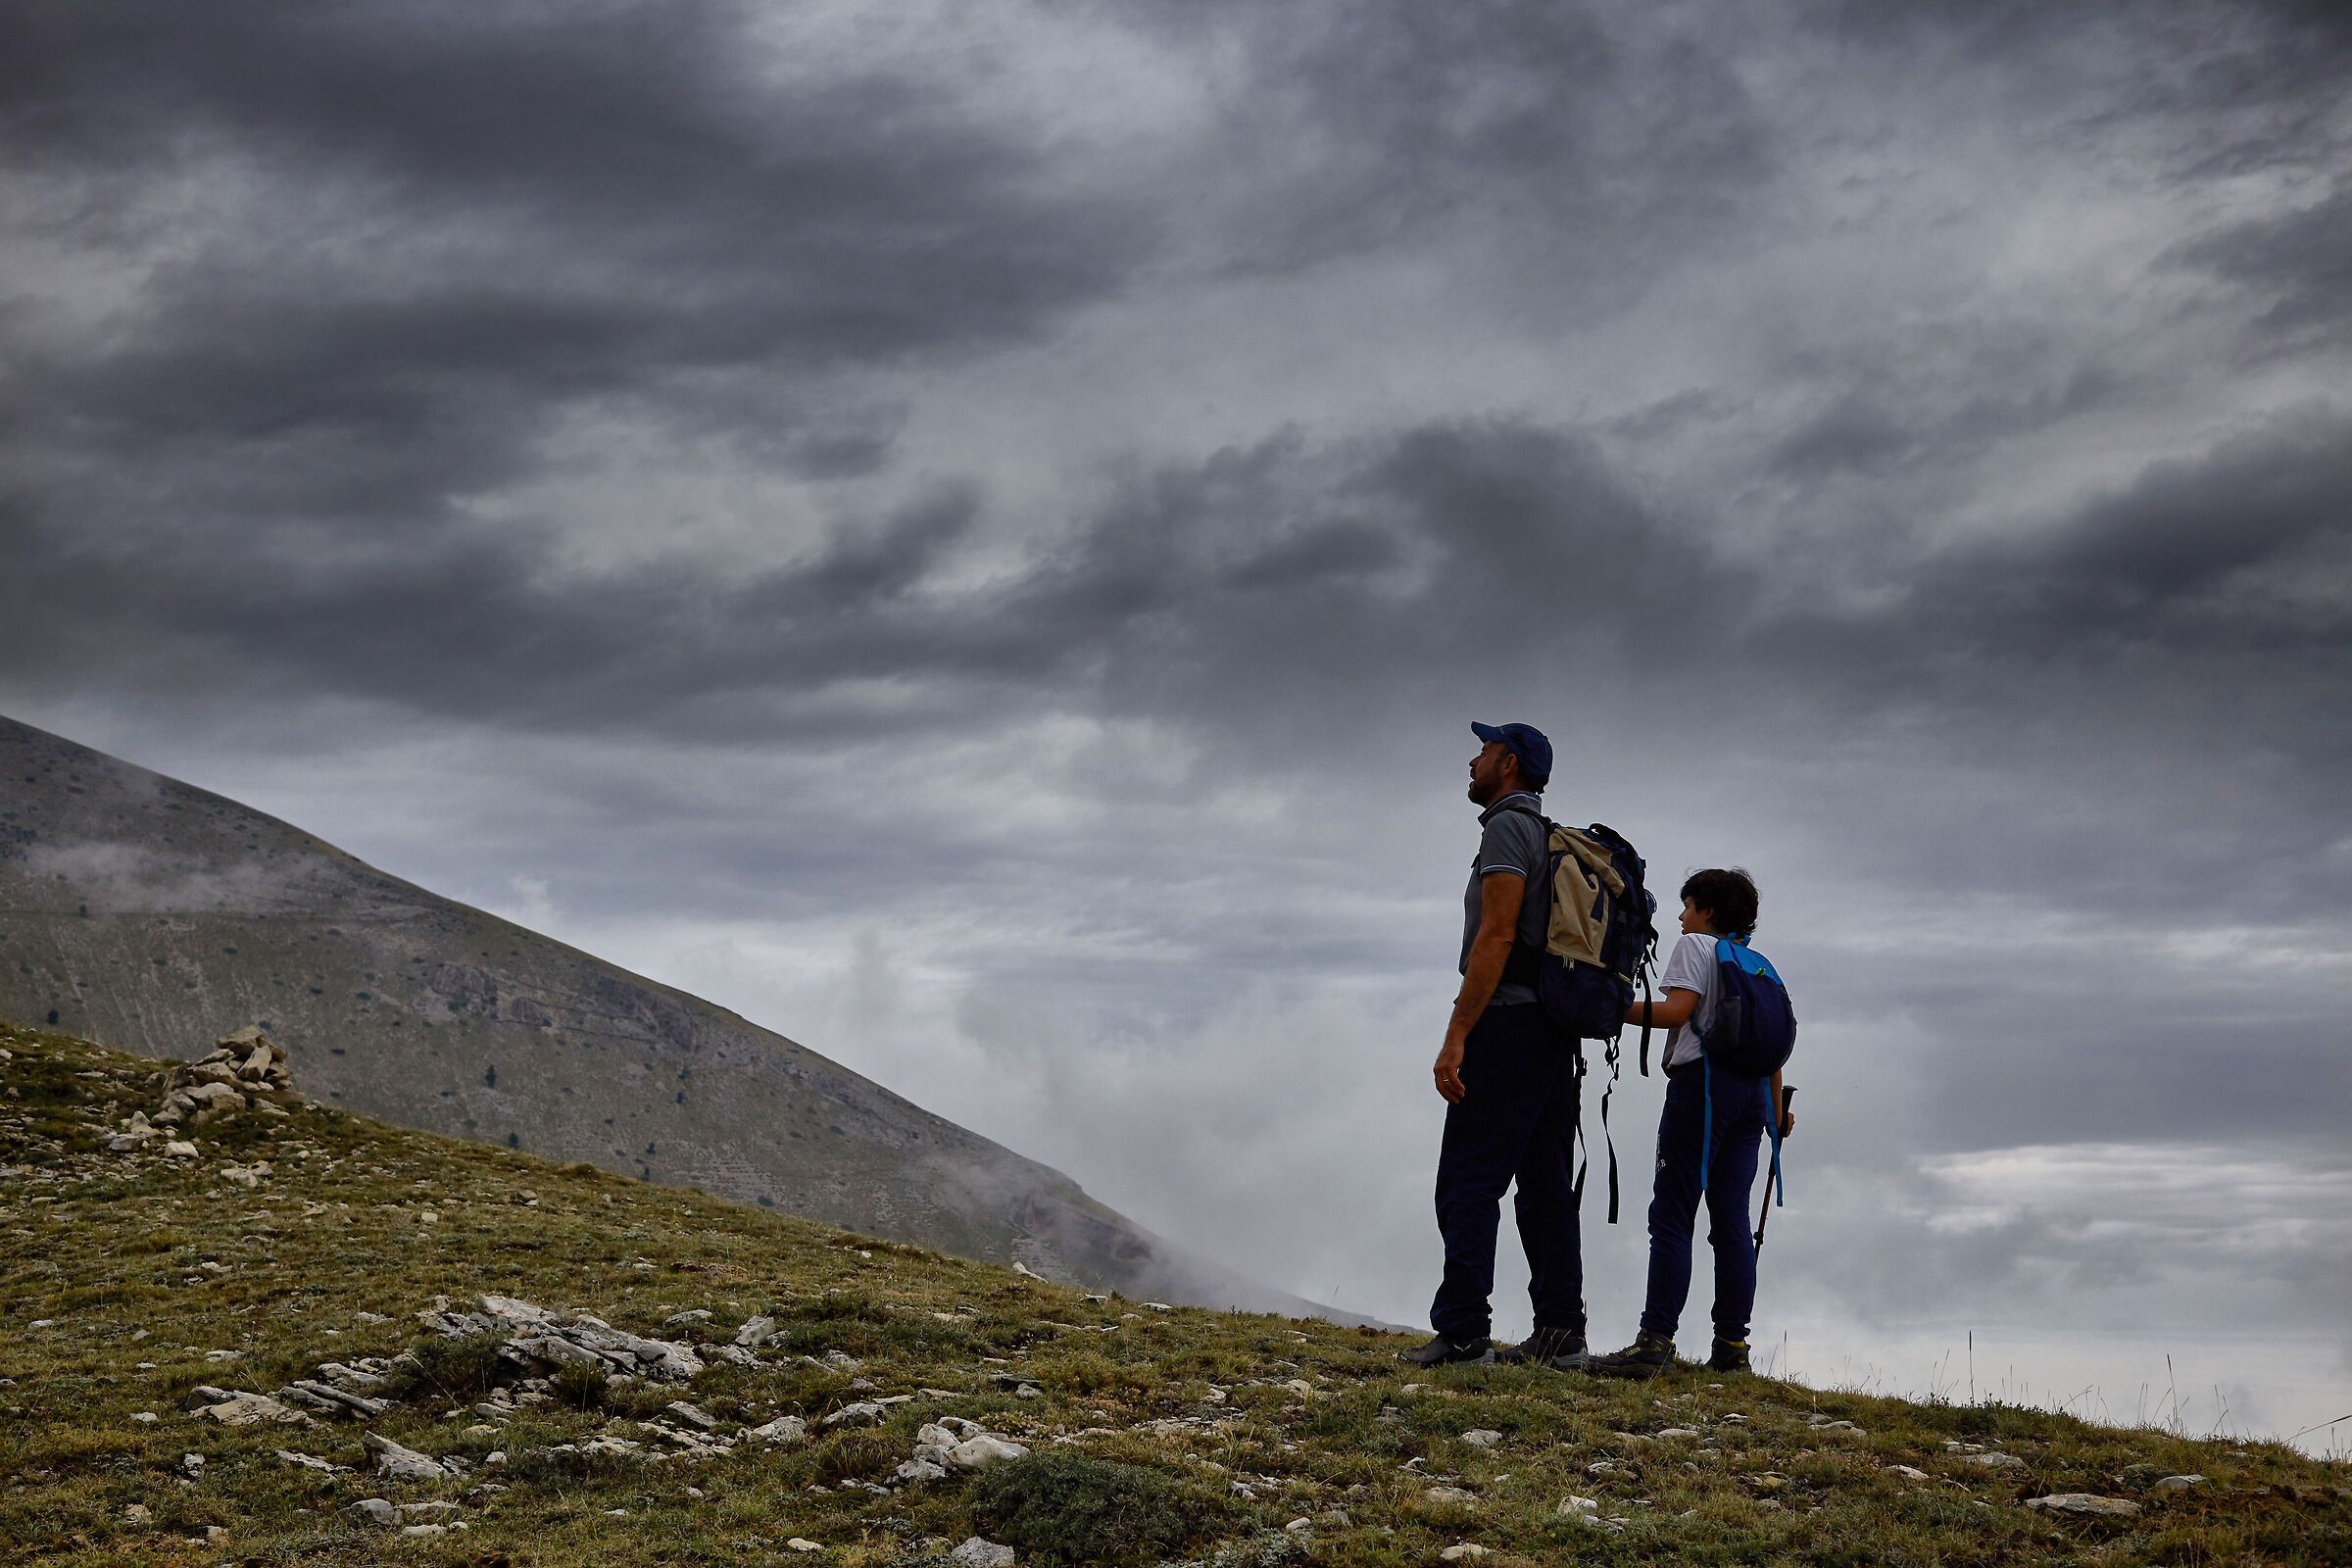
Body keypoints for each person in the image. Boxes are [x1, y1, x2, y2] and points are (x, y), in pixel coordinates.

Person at [1402, 721, 1591, 1369]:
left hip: (1509, 1026)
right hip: (1553, 1033)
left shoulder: (1508, 828)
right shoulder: (1545, 832)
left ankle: (1461, 1331)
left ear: (1507, 764)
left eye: (1483, 751)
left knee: (1468, 1180)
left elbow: (1497, 937)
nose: (1472, 759)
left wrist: (1457, 1035)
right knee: (1544, 1185)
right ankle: (1561, 1333)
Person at [1588, 868, 1794, 1378]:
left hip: (1702, 1087)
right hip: (1751, 1098)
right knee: (1732, 1223)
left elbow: (1677, 1012)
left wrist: (1610, 1008)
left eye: (1687, 906)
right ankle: (1731, 1348)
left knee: (1674, 1213)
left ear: (1708, 911)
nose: (1680, 917)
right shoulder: (1762, 966)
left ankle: (1655, 1343)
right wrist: (1774, 1115)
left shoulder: (1697, 948)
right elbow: (1771, 1054)